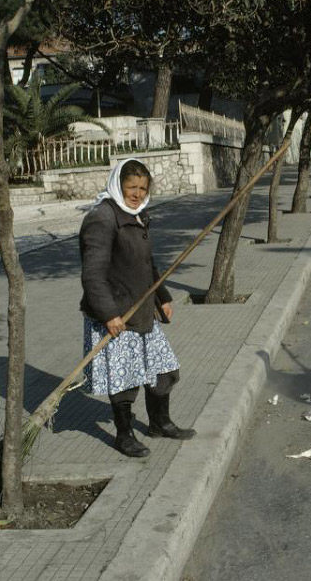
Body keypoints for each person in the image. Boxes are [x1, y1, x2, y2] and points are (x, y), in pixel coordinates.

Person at [79, 158, 195, 457]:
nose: (137, 193)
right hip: (117, 314)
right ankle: (124, 435)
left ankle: (160, 423)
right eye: (132, 186)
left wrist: (163, 297)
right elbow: (93, 274)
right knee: (125, 379)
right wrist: (108, 314)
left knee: (164, 370)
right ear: (119, 185)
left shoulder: (138, 215)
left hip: (141, 310)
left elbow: (147, 266)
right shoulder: (102, 218)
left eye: (143, 188)